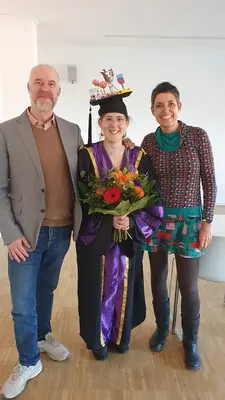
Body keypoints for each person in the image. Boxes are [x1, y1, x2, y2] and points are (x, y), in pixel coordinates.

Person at [0, 64, 83, 399]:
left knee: (45, 292)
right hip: (24, 235)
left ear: (59, 92)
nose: (45, 89)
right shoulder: (6, 131)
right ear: (29, 88)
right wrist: (9, 234)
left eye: (51, 84)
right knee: (22, 304)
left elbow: (89, 173)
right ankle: (28, 360)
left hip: (61, 232)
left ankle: (42, 336)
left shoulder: (73, 130)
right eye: (39, 83)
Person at [76, 84, 164, 361]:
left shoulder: (139, 157)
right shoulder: (86, 154)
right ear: (101, 123)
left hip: (128, 237)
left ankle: (122, 336)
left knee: (125, 282)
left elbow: (151, 196)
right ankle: (98, 340)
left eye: (120, 119)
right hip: (96, 238)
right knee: (95, 286)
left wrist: (130, 218)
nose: (114, 124)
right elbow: (81, 196)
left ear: (127, 124)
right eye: (109, 119)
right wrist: (107, 219)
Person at [140, 82, 217, 370]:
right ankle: (161, 328)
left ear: (179, 107)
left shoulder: (197, 136)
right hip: (156, 221)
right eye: (159, 105)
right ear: (152, 110)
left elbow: (209, 181)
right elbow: (141, 181)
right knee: (158, 280)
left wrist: (207, 221)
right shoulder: (148, 141)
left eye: (170, 103)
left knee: (189, 286)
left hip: (190, 223)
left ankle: (191, 342)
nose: (165, 110)